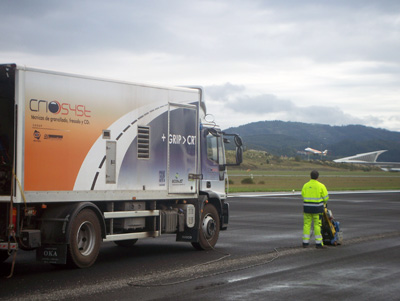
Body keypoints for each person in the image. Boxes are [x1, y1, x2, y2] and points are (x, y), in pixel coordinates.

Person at [301, 170, 329, 249]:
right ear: (317, 177)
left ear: (310, 176)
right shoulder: (321, 185)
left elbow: (303, 195)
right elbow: (326, 198)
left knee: (306, 225)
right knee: (317, 225)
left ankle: (305, 243)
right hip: (317, 209)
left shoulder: (305, 185)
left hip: (307, 208)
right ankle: (318, 243)